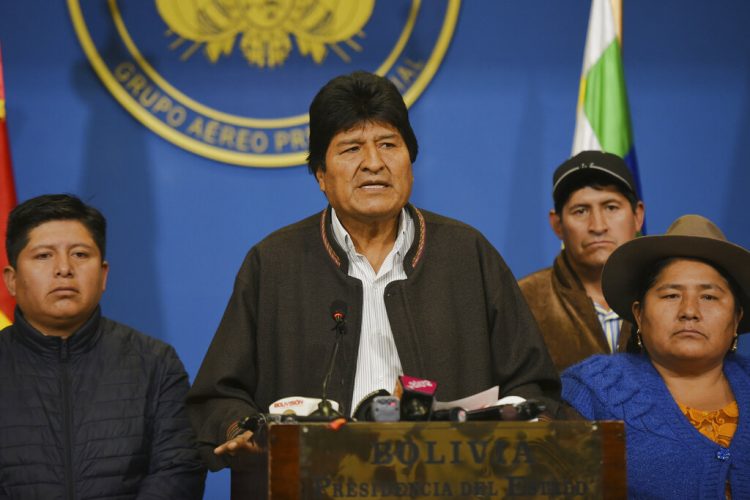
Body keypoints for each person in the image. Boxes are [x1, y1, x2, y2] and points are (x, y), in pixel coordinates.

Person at [186, 70, 561, 470]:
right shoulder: (275, 263)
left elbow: (531, 383)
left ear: (410, 162)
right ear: (321, 176)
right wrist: (241, 431)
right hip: (317, 483)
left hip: (450, 480)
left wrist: (519, 421)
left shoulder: (467, 254)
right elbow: (218, 396)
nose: (374, 163)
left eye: (388, 144)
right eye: (351, 148)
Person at [0, 194, 205, 499]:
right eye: (44, 256)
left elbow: (179, 468)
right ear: (12, 280)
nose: (64, 269)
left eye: (80, 255)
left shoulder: (155, 363)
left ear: (104, 274)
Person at [562, 214, 750, 498]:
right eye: (671, 295)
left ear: (736, 319)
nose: (690, 311)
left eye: (709, 297)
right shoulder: (591, 392)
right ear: (639, 314)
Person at [519, 150, 645, 371]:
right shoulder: (524, 300)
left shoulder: (667, 295)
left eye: (611, 207)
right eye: (580, 211)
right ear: (557, 224)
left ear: (637, 216)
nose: (597, 226)